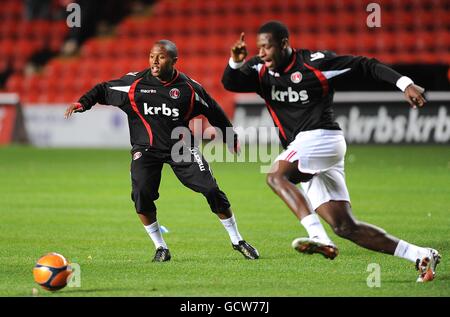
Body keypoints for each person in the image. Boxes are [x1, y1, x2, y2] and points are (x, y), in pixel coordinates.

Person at [221, 21, 440, 282]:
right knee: (345, 226)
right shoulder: (260, 69)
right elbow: (230, 83)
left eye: (267, 47)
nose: (262, 53)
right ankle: (421, 255)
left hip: (322, 137)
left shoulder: (315, 64)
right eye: (259, 48)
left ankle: (317, 237)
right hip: (309, 149)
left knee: (275, 176)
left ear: (283, 44)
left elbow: (365, 64)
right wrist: (235, 61)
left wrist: (404, 83)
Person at [65, 40, 259, 262]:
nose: (155, 61)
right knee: (141, 195)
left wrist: (229, 136)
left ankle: (237, 240)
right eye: (151, 56)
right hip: (146, 150)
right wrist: (82, 104)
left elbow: (213, 110)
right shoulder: (134, 84)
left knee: (211, 189)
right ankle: (161, 248)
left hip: (181, 147)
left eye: (161, 57)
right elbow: (102, 89)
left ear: (174, 61)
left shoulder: (189, 89)